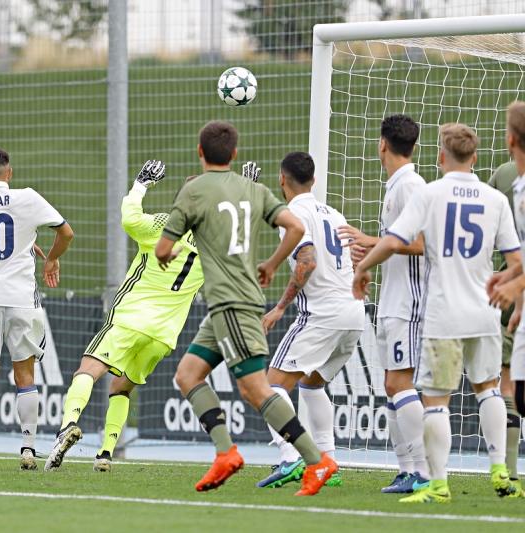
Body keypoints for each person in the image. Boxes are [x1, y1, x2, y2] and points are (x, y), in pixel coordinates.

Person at [155, 120, 337, 495]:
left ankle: (317, 461)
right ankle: (226, 453)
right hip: (226, 306)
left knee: (255, 388)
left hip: (233, 303)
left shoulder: (193, 191)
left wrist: (169, 252)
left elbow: (162, 249)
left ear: (199, 152)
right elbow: (295, 228)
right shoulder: (254, 189)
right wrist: (271, 263)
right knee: (188, 375)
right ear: (235, 155)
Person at [354, 122, 521, 503]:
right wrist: (517, 300)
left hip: (444, 312)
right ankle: (500, 471)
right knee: (489, 390)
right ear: (475, 157)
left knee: (436, 400)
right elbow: (517, 259)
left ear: (441, 155)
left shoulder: (430, 193)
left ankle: (438, 484)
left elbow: (396, 240)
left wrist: (363, 268)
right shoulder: (493, 199)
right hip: (484, 309)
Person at [43, 159, 205, 473]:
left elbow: (130, 219)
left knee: (87, 371)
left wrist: (141, 184)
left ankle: (68, 426)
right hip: (164, 336)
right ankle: (105, 454)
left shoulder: (165, 225)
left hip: (131, 319)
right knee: (122, 389)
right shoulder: (215, 243)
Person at [0, 147, 73, 471]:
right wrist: (50, 258)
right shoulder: (28, 198)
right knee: (25, 375)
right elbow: (66, 232)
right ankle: (28, 449)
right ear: (10, 174)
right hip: (22, 297)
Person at [256, 152, 364, 490]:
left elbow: (307, 260)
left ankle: (290, 457)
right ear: (313, 180)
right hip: (353, 311)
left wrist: (278, 308)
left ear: (282, 180)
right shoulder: (333, 213)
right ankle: (328, 462)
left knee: (268, 386)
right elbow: (356, 256)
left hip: (322, 313)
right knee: (312, 384)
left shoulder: (293, 215)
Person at [337, 115, 430, 494]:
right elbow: (396, 241)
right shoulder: (397, 185)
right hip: (392, 301)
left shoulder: (410, 185)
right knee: (392, 386)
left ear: (382, 145)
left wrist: (370, 242)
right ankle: (407, 469)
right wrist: (371, 246)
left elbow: (423, 244)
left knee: (398, 383)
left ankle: (423, 471)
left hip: (408, 303)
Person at [486, 159, 524, 498]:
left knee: (508, 382)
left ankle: (509, 470)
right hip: (515, 291)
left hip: (511, 288)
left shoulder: (505, 174)